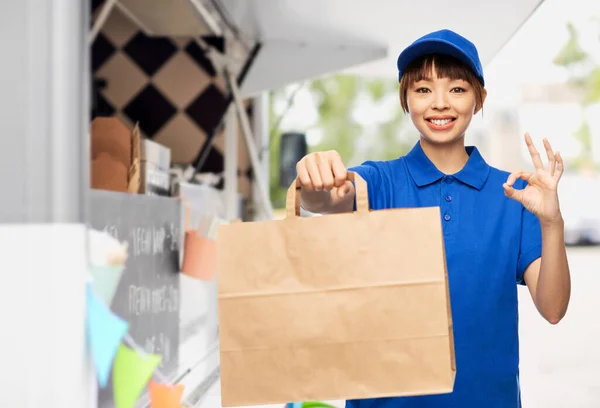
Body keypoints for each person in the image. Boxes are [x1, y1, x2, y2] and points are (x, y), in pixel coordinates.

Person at [295, 29, 571, 408]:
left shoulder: (512, 195)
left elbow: (553, 309)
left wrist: (552, 222)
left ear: (479, 99)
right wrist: (313, 180)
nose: (440, 103)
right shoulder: (378, 181)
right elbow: (328, 197)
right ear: (405, 101)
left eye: (457, 89)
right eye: (423, 89)